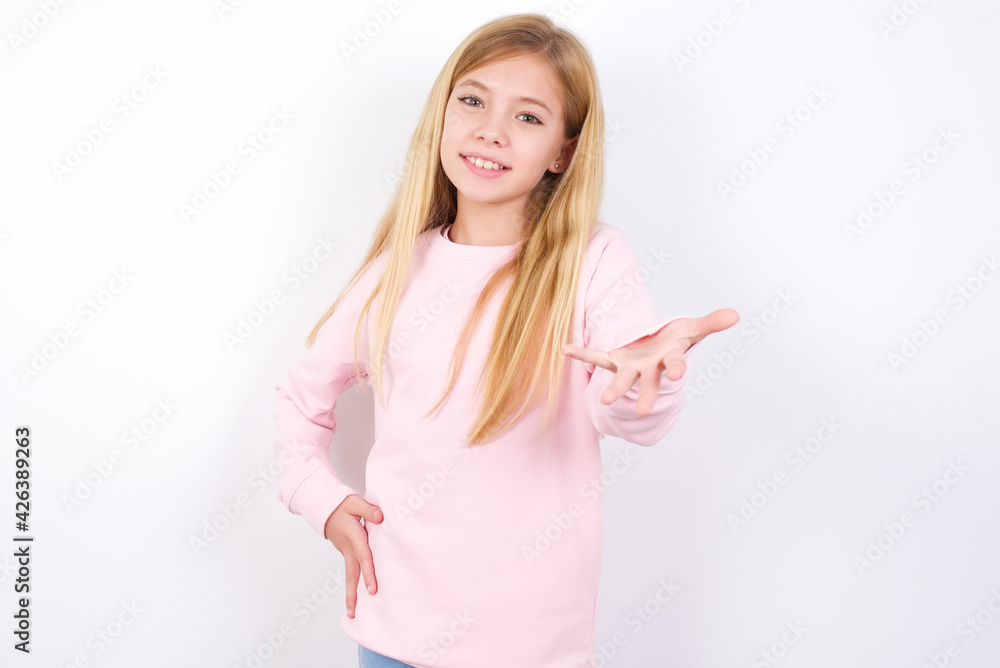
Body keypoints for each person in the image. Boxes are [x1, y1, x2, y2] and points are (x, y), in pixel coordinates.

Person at [272, 12, 738, 668]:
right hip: (393, 631)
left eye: (527, 116)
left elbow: (625, 410)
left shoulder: (592, 261)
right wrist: (320, 500)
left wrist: (645, 381)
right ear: (442, 115)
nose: (491, 130)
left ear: (562, 152)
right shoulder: (396, 270)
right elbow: (300, 399)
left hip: (532, 647)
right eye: (473, 101)